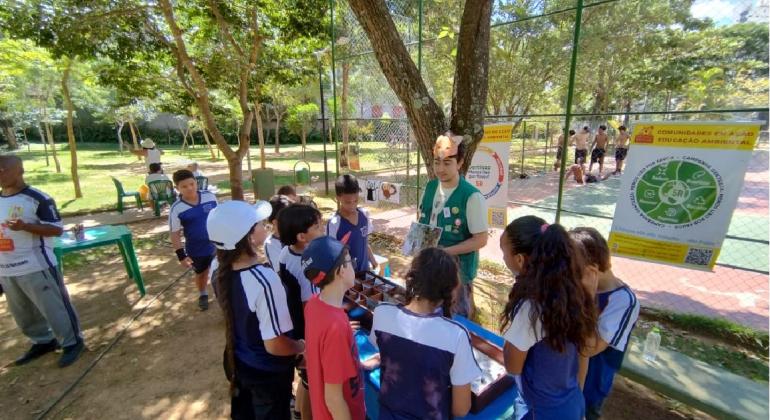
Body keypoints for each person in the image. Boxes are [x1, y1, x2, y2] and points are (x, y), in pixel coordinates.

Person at [207, 200, 305, 420]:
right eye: (259, 224)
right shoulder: (264, 280)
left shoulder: (217, 269)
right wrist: (301, 347)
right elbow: (275, 344)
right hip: (267, 375)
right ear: (249, 237)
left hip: (241, 364)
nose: (265, 226)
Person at [499, 215, 597, 419]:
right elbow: (584, 352)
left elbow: (513, 365)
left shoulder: (531, 308)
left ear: (519, 260)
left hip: (541, 411)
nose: (503, 258)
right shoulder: (573, 291)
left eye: (504, 252)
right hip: (571, 400)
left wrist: (511, 332)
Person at [369, 247, 481, 419]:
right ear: (451, 290)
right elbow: (461, 408)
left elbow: (389, 352)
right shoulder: (456, 335)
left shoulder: (382, 313)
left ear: (412, 278)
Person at [0, 155, 84, 367]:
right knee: (23, 312)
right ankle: (43, 341)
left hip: (36, 264)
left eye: (2, 170)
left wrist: (25, 226)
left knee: (54, 307)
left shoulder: (37, 198)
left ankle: (73, 342)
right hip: (6, 268)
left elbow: (56, 229)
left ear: (19, 170)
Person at [302, 236, 378, 420]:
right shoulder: (336, 326)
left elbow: (324, 359)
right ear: (341, 271)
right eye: (350, 261)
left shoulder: (314, 304)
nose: (353, 264)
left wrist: (358, 365)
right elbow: (334, 399)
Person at [570, 227, 639, 420]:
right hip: (566, 377)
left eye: (572, 267)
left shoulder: (623, 301)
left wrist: (588, 298)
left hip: (591, 387)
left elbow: (590, 348)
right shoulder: (577, 286)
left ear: (591, 269)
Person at [418, 131, 488, 317]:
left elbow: (481, 240)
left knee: (455, 319)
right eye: (436, 162)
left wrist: (445, 252)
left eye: (447, 163)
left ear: (460, 162)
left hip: (457, 274)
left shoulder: (471, 196)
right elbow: (424, 221)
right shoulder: (430, 187)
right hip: (430, 267)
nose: (440, 169)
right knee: (430, 316)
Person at [277, 203, 324, 420]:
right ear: (302, 237)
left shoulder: (285, 253)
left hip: (294, 325)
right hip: (307, 331)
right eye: (317, 226)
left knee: (306, 380)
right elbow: (309, 306)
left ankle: (297, 411)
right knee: (313, 382)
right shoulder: (305, 264)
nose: (321, 228)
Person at [169, 169, 218, 311]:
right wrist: (181, 255)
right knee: (201, 273)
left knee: (220, 271)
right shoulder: (176, 208)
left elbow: (219, 217)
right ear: (177, 188)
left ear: (196, 182)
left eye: (192, 184)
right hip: (197, 249)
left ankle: (222, 294)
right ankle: (202, 294)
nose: (190, 188)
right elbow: (175, 233)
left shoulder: (209, 196)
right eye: (184, 186)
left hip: (217, 245)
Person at [327, 174, 377, 276]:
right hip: (345, 279)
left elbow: (364, 242)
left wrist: (375, 263)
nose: (352, 205)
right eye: (348, 202)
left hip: (365, 272)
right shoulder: (334, 224)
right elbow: (332, 254)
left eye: (356, 201)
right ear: (338, 198)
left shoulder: (364, 215)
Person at [264, 194, 291, 272]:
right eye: (288, 217)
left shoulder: (297, 234)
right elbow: (282, 272)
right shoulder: (271, 244)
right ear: (275, 222)